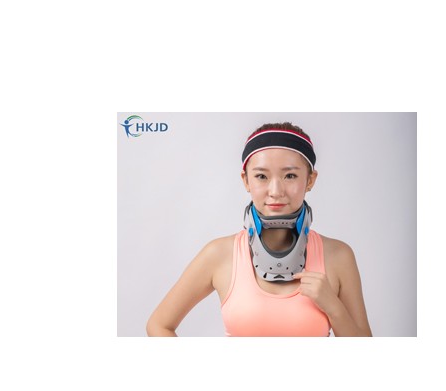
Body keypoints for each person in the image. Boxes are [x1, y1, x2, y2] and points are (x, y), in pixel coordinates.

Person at [146, 122, 372, 337]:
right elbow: (158, 325)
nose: (275, 191)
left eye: (290, 176)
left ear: (310, 180)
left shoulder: (338, 257)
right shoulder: (219, 255)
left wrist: (333, 306)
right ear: (246, 180)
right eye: (261, 176)